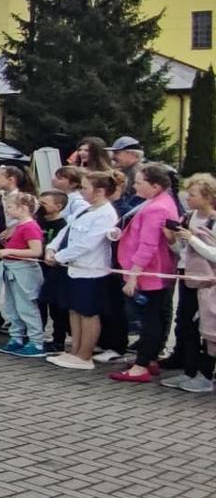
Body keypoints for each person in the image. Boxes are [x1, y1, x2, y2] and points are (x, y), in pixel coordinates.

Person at [108, 163, 182, 382]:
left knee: (150, 319)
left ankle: (141, 366)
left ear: (156, 186)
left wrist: (133, 276)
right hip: (153, 271)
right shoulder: (158, 202)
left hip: (150, 272)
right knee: (154, 316)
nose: (135, 185)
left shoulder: (156, 208)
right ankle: (148, 358)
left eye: (140, 182)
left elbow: (147, 245)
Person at [45, 172, 120, 370]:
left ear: (100, 191)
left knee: (88, 313)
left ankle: (85, 354)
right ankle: (75, 350)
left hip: (90, 270)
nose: (82, 191)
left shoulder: (106, 214)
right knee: (74, 310)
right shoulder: (86, 210)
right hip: (73, 269)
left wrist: (59, 258)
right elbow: (65, 231)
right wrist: (51, 248)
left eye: (86, 188)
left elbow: (87, 244)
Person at [161, 174, 216, 392]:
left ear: (208, 197)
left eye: (192, 195)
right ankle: (190, 370)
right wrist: (173, 239)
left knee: (206, 328)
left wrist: (192, 238)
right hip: (187, 276)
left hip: (207, 283)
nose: (188, 199)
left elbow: (213, 254)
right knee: (185, 324)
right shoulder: (188, 216)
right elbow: (182, 251)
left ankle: (204, 375)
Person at [0, 192, 47, 356]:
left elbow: (36, 251)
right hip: (11, 268)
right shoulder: (18, 226)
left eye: (10, 207)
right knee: (12, 306)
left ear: (23, 208)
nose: (7, 210)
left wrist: (9, 250)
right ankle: (16, 337)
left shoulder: (30, 226)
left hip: (23, 270)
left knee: (27, 307)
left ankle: (36, 342)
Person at [36, 190, 73, 353]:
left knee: (56, 307)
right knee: (40, 303)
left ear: (58, 206)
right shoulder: (38, 221)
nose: (40, 206)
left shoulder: (62, 226)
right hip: (37, 267)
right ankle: (38, 334)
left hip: (55, 270)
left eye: (44, 203)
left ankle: (59, 339)